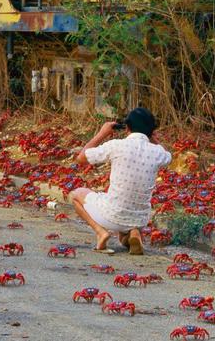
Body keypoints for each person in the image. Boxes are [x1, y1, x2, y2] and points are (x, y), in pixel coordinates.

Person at [71, 108, 172, 255]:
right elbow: (169, 156)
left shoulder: (117, 145)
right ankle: (134, 232)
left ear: (127, 127)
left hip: (113, 215)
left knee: (76, 194)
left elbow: (81, 158)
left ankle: (101, 233)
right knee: (126, 222)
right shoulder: (157, 152)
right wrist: (155, 140)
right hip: (140, 219)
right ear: (151, 131)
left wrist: (102, 133)